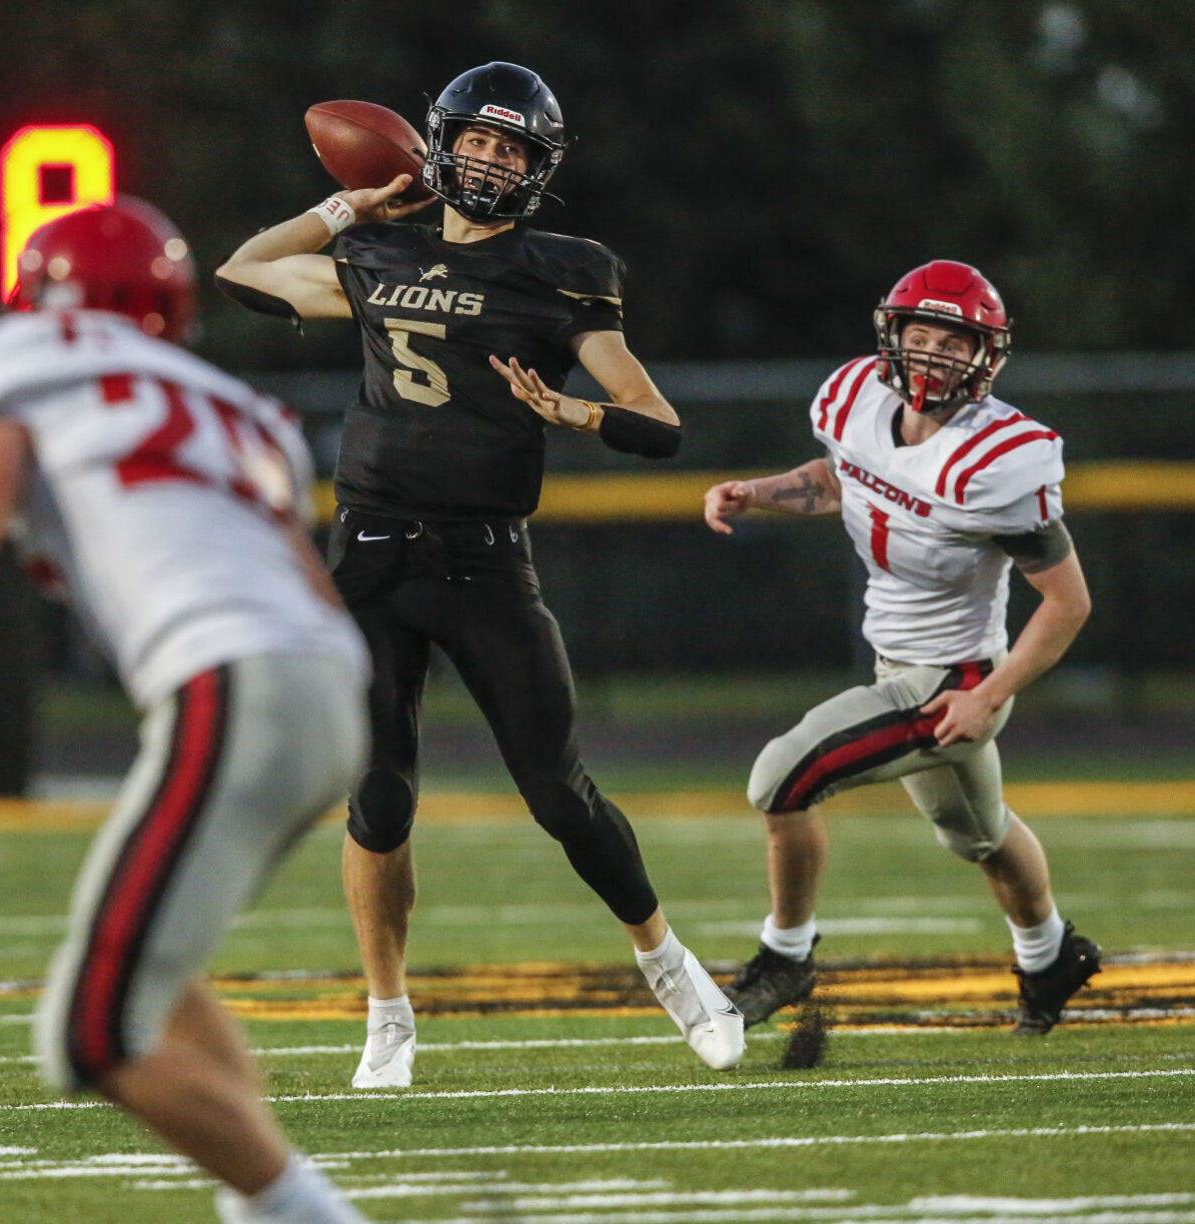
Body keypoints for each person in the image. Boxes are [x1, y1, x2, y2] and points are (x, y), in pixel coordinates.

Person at [0, 198, 382, 1224]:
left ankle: (308, 1214)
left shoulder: (20, 359)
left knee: (91, 1031)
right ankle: (261, 1203)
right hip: (327, 691)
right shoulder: (235, 401)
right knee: (154, 961)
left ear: (40, 296)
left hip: (230, 684)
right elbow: (308, 584)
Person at [219, 60, 743, 1087]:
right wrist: (347, 203)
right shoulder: (375, 250)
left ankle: (671, 964)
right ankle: (387, 1017)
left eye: (513, 149)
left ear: (536, 168)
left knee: (559, 792)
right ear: (442, 144)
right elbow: (243, 271)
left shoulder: (562, 269)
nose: (493, 161)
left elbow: (660, 422)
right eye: (479, 142)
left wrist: (575, 412)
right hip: (371, 556)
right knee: (378, 800)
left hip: (484, 560)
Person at [702, 260, 1102, 1037]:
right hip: (901, 660)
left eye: (954, 341)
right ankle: (1051, 954)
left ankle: (785, 954)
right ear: (892, 336)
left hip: (955, 677)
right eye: (921, 335)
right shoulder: (856, 399)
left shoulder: (999, 461)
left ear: (985, 356)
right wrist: (760, 491)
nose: (933, 355)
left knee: (781, 777)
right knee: (980, 836)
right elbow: (841, 479)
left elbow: (1067, 601)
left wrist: (988, 696)